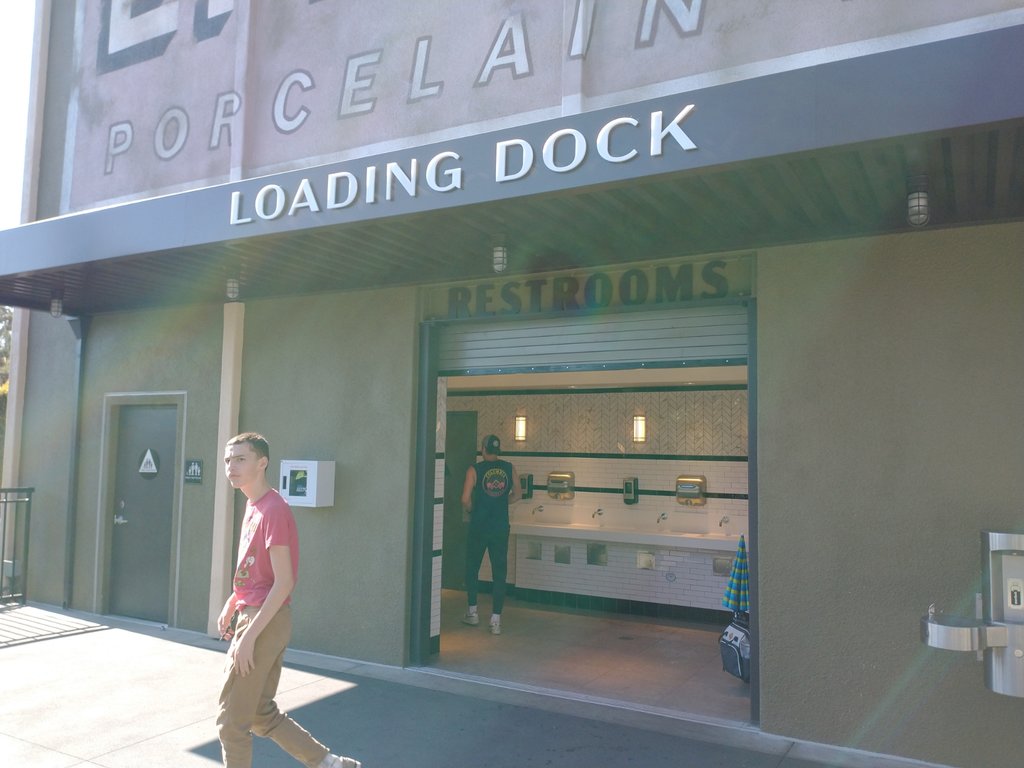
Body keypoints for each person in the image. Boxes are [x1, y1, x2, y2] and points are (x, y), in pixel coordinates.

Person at [217, 432, 361, 768]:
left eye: (240, 459)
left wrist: (248, 637)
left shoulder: (274, 509)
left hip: (263, 621)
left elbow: (284, 582)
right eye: (228, 460)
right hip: (258, 614)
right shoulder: (253, 505)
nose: (231, 467)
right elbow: (258, 571)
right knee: (259, 713)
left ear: (262, 463)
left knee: (230, 724)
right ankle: (331, 764)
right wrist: (234, 599)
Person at [460, 434, 520, 635]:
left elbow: (465, 499)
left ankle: (472, 612)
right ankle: (496, 621)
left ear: (483, 449)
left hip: (479, 526)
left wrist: (472, 509)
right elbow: (518, 494)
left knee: (472, 568)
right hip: (500, 527)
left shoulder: (474, 470)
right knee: (499, 573)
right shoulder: (509, 468)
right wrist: (501, 502)